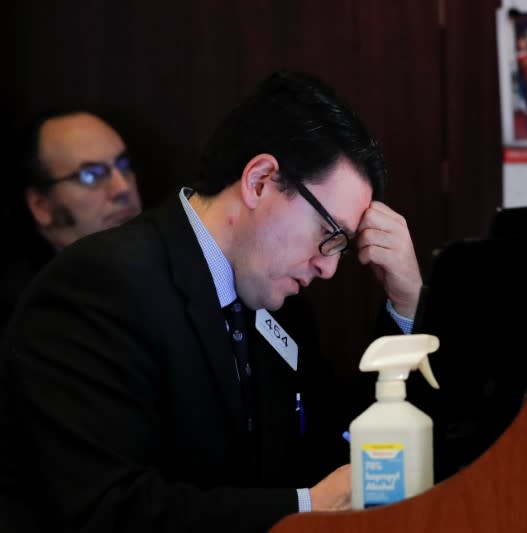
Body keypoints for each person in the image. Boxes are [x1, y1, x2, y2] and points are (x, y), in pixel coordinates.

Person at [0, 69, 422, 532]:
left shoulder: (276, 296)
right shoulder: (99, 284)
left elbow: (339, 445)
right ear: (260, 180)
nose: (329, 267)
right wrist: (303, 507)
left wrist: (407, 304)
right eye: (328, 235)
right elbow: (107, 508)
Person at [0, 110, 142, 332]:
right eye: (90, 175)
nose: (122, 188)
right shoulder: (29, 310)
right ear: (41, 205)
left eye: (123, 166)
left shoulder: (162, 270)